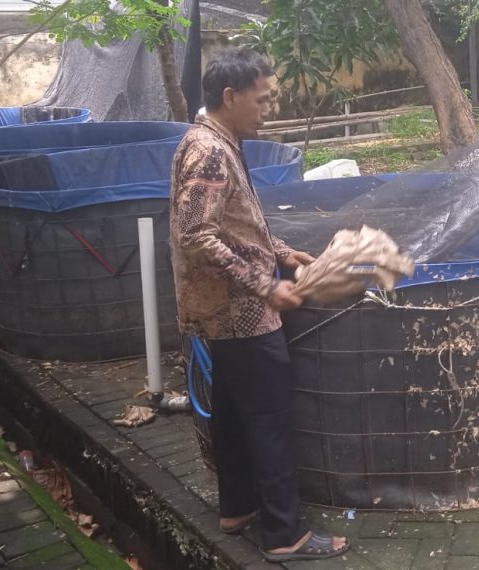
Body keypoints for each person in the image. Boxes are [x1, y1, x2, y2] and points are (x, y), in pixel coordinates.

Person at [168, 48, 348, 563]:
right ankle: (285, 534)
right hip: (241, 312)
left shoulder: (214, 140)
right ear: (230, 97)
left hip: (221, 311)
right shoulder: (210, 151)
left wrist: (283, 253)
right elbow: (196, 235)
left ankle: (237, 508)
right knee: (269, 420)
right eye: (262, 99)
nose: (268, 109)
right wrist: (266, 286)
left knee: (229, 412)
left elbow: (236, 222)